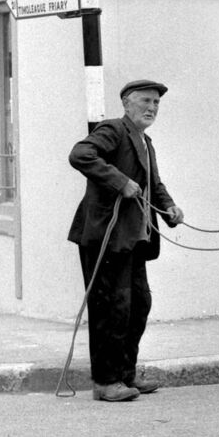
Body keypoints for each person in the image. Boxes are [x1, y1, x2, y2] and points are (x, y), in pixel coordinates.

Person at [68, 79, 184, 402]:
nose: (151, 108)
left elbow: (153, 184)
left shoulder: (146, 142)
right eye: (145, 101)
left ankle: (125, 375)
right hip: (105, 235)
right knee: (112, 308)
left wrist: (170, 207)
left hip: (132, 238)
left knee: (139, 304)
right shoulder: (113, 131)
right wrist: (120, 182)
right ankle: (106, 381)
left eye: (156, 104)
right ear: (127, 104)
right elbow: (80, 154)